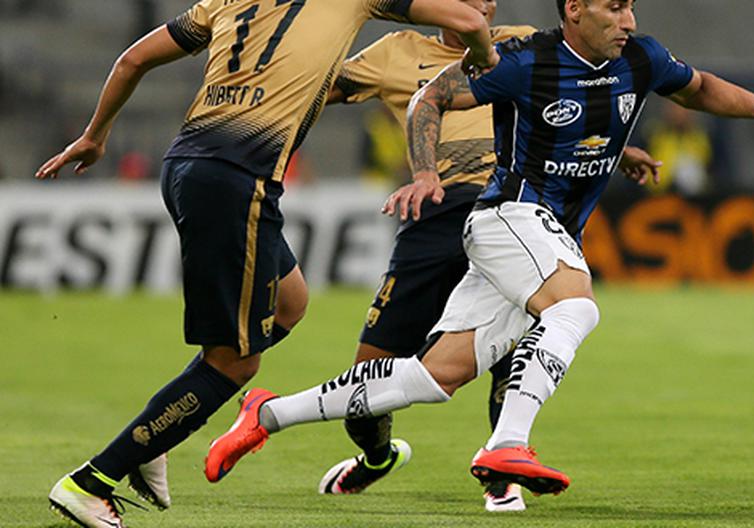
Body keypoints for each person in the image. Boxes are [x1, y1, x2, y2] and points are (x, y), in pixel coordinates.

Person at [206, 0, 754, 500]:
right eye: (616, 8)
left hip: (537, 229)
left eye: (632, 8)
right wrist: (425, 172)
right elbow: (430, 100)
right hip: (508, 214)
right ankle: (507, 445)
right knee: (576, 308)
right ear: (576, 9)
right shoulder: (523, 57)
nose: (630, 21)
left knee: (433, 376)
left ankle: (268, 414)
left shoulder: (641, 57)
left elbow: (697, 89)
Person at [36, 0, 497, 526]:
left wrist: (96, 136)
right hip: (237, 180)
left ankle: (153, 436)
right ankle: (90, 482)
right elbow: (470, 22)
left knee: (291, 302)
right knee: (235, 364)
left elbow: (131, 60)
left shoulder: (225, 1)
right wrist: (483, 63)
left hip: (186, 163)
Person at [317, 2, 535, 511]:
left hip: (508, 207)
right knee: (364, 388)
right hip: (434, 216)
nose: (481, 6)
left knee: (509, 346)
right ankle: (375, 456)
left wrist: (617, 150)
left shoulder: (523, 42)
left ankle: (502, 471)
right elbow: (308, 93)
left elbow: (579, 96)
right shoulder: (395, 53)